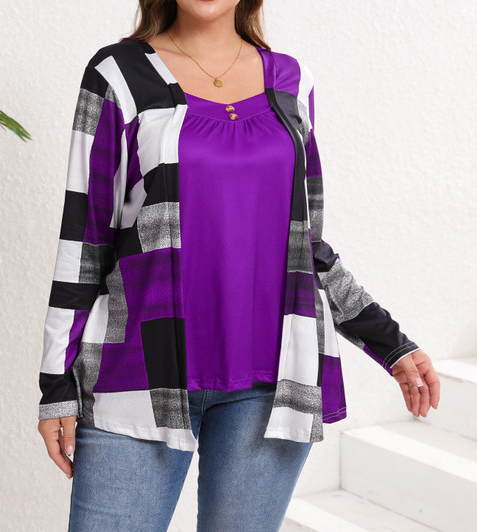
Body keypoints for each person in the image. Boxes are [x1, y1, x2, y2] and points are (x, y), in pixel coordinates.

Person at [37, 1, 441, 530]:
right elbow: (85, 239)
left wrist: (389, 342)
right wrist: (56, 386)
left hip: (271, 380)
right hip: (137, 372)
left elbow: (305, 246)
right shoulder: (118, 75)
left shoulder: (292, 82)